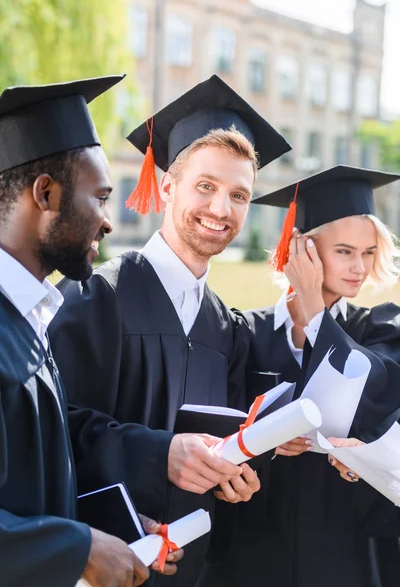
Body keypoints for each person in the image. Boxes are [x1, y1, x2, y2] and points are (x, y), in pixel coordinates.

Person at [48, 74, 291, 587]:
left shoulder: (228, 329)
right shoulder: (99, 296)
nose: (220, 210)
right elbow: (52, 429)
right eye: (206, 186)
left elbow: (226, 439)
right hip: (105, 564)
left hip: (190, 570)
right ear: (167, 184)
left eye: (239, 195)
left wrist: (234, 476)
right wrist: (159, 454)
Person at [0, 74, 186, 587]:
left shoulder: (29, 317)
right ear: (46, 193)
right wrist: (79, 549)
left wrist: (109, 529)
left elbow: (29, 484)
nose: (108, 221)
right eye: (100, 197)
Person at [200, 164, 400, 587]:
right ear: (302, 248)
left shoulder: (378, 330)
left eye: (367, 253)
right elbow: (213, 428)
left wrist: (313, 309)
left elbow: (373, 392)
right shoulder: (243, 332)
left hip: (344, 553)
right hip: (252, 553)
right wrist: (265, 440)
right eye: (344, 251)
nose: (360, 268)